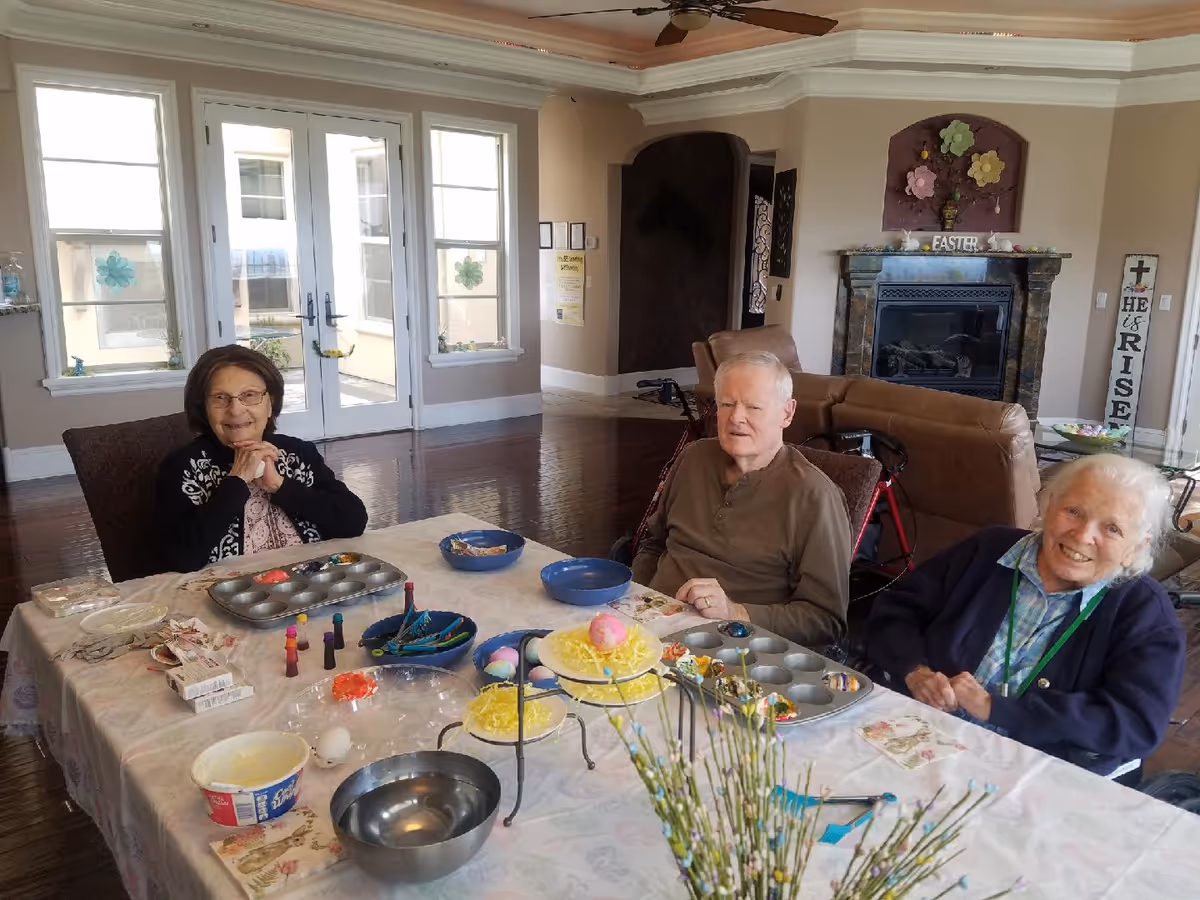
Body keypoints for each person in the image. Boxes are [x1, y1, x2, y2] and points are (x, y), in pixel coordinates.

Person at [866, 454, 1185, 779]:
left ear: (1136, 547)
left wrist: (996, 708)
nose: (1083, 535)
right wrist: (915, 671)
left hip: (1036, 776)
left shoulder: (1145, 613)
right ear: (1048, 506)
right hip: (920, 738)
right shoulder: (988, 549)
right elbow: (895, 611)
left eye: (1112, 528)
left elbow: (1135, 724)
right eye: (1073, 511)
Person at [632, 350, 852, 646]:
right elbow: (653, 543)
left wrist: (734, 612)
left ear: (787, 412)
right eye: (726, 404)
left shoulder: (815, 498)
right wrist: (635, 597)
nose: (736, 417)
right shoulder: (693, 458)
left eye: (753, 406)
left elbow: (826, 621)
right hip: (647, 624)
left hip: (736, 649)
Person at [156, 345, 368, 572]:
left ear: (270, 403)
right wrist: (236, 481)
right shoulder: (182, 468)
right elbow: (181, 559)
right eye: (220, 397)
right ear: (204, 408)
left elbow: (353, 522)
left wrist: (280, 486)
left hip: (311, 585)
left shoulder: (299, 453)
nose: (236, 410)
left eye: (250, 395)